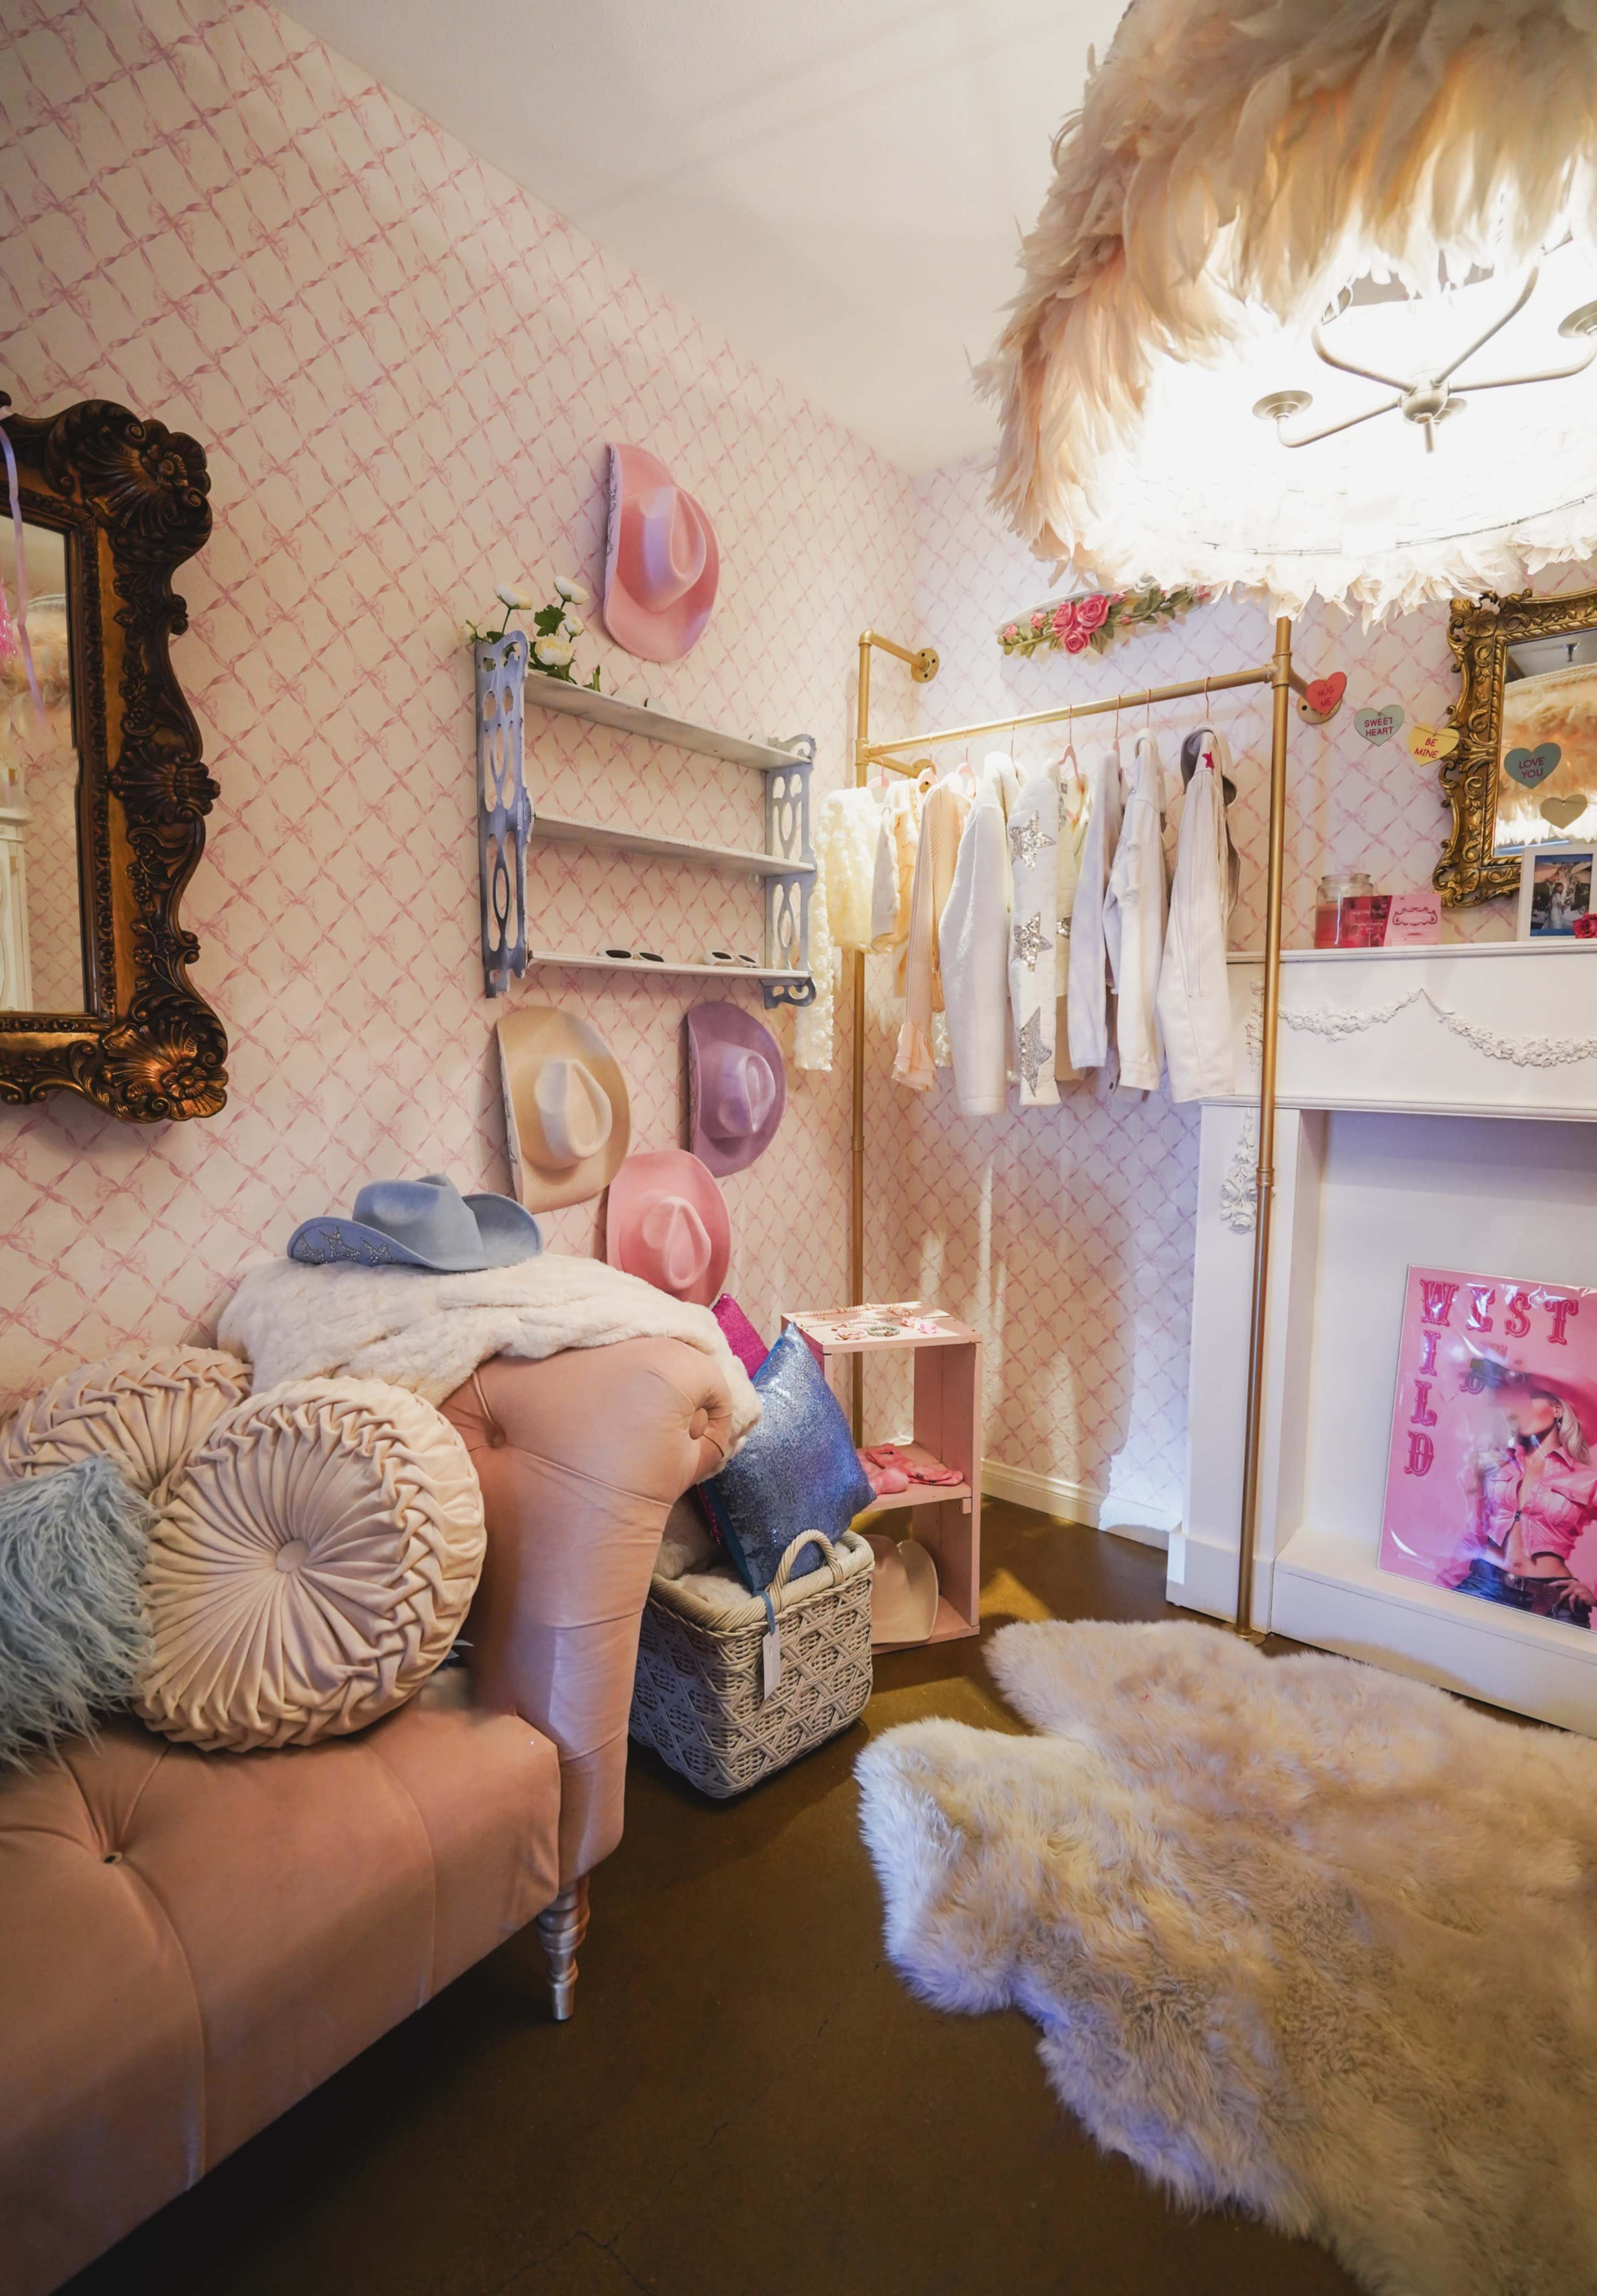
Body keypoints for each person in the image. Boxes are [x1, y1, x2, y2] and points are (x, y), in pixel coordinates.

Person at [1457, 1372, 1597, 1626]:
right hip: (1485, 1584)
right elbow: (1472, 1534)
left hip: (1554, 1603)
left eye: (1532, 1399)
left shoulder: (1586, 1480)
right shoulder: (1497, 1463)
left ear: (1557, 1410)